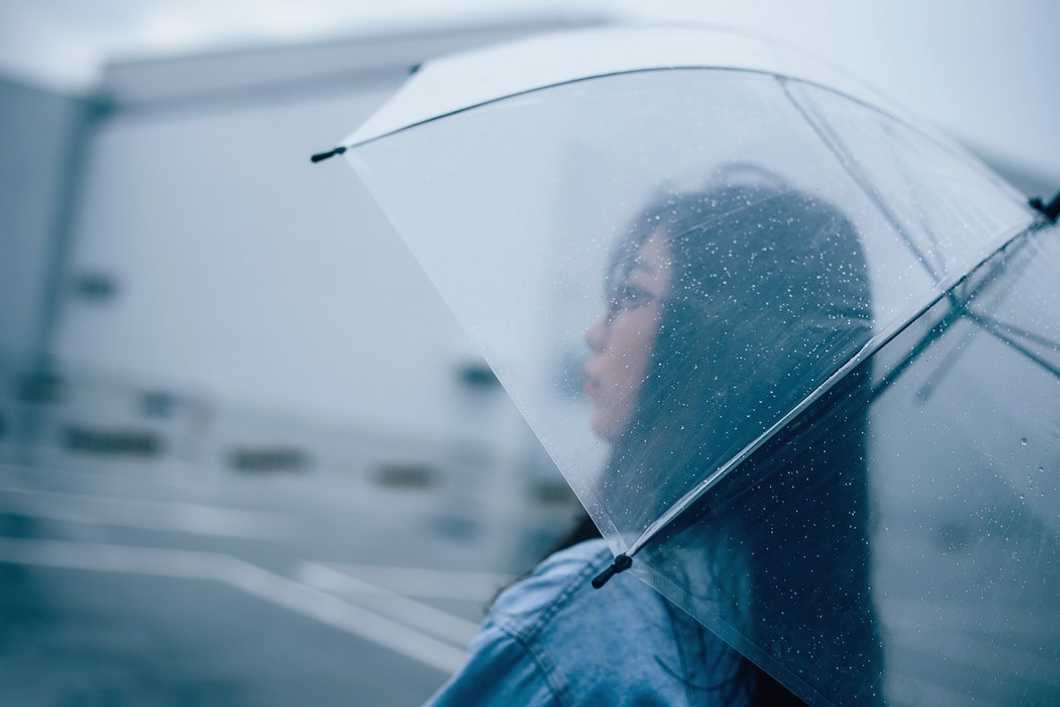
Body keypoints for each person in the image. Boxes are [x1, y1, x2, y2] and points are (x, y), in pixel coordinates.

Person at [425, 174, 884, 706]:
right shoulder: (799, 615)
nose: (596, 332)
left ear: (723, 344)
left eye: (635, 295)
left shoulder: (596, 606)